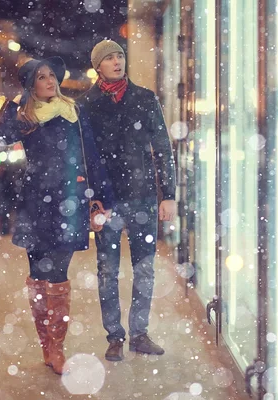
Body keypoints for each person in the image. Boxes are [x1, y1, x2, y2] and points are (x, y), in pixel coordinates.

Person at [0, 56, 114, 374]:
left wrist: (103, 197)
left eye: (52, 76)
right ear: (31, 85)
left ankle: (58, 348)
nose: (50, 81)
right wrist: (14, 104)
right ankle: (46, 346)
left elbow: (92, 157)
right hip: (35, 204)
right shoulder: (26, 117)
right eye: (42, 77)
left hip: (69, 203)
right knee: (37, 276)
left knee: (58, 275)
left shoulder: (74, 113)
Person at [79, 40, 176, 361]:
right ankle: (115, 336)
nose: (117, 61)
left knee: (145, 268)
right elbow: (82, 159)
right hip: (105, 201)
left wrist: (169, 196)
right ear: (98, 66)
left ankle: (139, 333)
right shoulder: (86, 105)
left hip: (143, 197)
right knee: (107, 270)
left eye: (119, 56)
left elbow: (163, 149)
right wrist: (90, 201)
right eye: (109, 58)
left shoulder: (145, 99)